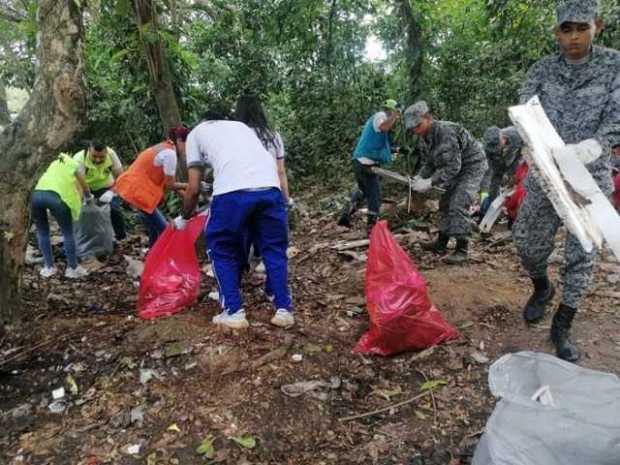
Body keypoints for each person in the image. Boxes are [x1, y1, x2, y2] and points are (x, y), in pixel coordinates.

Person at [513, 0, 620, 362]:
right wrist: (516, 137)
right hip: (547, 175)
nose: (574, 37)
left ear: (597, 26)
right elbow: (525, 112)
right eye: (566, 29)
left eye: (581, 28)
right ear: (557, 32)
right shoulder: (542, 69)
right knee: (526, 241)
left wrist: (598, 144)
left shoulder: (614, 65)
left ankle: (563, 322)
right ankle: (542, 286)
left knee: (583, 254)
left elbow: (618, 115)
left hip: (590, 176)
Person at [176, 118, 293, 330]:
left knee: (222, 249)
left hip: (231, 193)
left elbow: (192, 188)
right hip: (269, 188)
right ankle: (284, 309)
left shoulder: (195, 134)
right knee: (274, 249)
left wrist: (184, 217)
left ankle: (233, 312)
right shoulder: (241, 126)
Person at [404, 100, 488, 264]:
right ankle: (441, 243)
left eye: (418, 125)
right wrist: (420, 177)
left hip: (472, 165)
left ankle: (462, 249)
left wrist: (430, 182)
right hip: (455, 167)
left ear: (428, 118)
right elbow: (429, 163)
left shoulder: (446, 132)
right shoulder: (424, 137)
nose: (416, 130)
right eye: (413, 128)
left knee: (458, 202)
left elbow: (453, 167)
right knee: (445, 203)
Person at [114, 127, 189, 247]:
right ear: (180, 141)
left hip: (135, 188)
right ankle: (164, 260)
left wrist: (188, 198)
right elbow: (170, 185)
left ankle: (151, 256)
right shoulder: (170, 154)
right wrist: (193, 186)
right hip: (138, 191)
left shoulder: (164, 147)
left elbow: (168, 182)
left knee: (154, 229)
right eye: (188, 144)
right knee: (165, 230)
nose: (188, 149)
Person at [338, 99, 401, 233]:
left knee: (362, 191)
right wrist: (395, 115)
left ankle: (345, 215)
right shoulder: (380, 116)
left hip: (361, 162)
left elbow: (382, 146)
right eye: (395, 113)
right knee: (374, 195)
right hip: (365, 163)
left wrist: (397, 150)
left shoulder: (380, 126)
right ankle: (372, 227)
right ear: (391, 110)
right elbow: (384, 127)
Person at [32, 153, 90, 279]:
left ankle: (49, 267)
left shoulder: (53, 164)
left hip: (36, 196)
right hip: (55, 197)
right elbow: (83, 184)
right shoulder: (73, 164)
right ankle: (72, 268)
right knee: (68, 233)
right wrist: (88, 196)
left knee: (42, 232)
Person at [235, 94, 291, 204]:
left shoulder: (235, 136)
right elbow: (280, 172)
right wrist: (287, 200)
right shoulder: (273, 136)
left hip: (242, 195)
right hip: (270, 192)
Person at [73, 141, 126, 241]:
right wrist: (83, 200)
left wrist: (112, 191)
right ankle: (87, 239)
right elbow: (78, 184)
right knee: (87, 214)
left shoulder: (111, 154)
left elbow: (121, 177)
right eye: (94, 156)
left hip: (106, 185)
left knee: (114, 210)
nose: (98, 160)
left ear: (106, 152)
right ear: (89, 150)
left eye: (102, 157)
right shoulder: (79, 159)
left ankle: (121, 237)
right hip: (86, 187)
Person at [479, 126, 524, 217]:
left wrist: (512, 175)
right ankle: (486, 211)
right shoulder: (489, 146)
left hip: (518, 157)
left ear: (503, 137)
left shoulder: (517, 135)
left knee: (519, 181)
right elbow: (490, 170)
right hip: (498, 164)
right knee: (493, 187)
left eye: (498, 146)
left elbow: (517, 158)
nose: (497, 149)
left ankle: (515, 211)